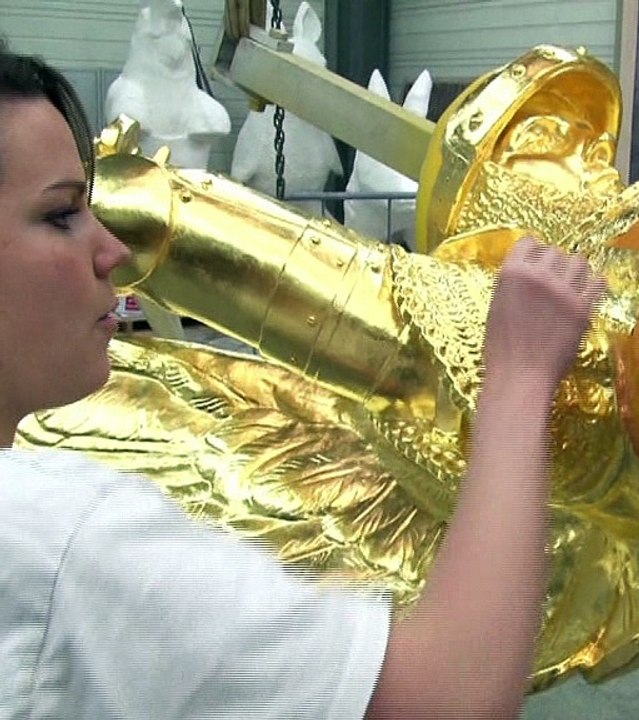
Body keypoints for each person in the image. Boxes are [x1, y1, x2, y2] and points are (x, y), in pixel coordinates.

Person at [0, 45, 606, 719]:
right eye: (60, 215)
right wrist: (520, 375)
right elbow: (447, 700)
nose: (109, 251)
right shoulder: (63, 540)